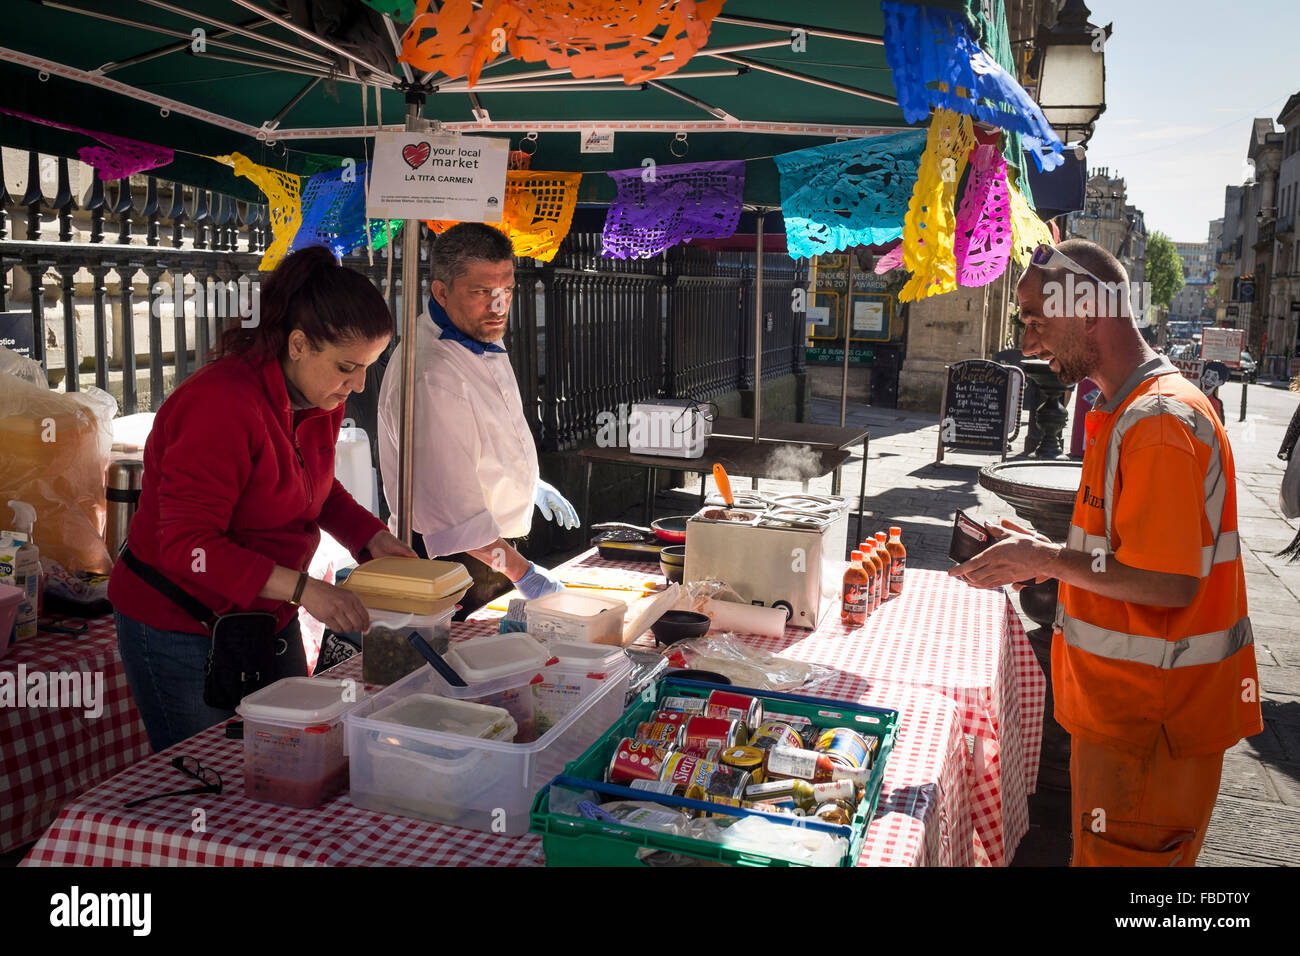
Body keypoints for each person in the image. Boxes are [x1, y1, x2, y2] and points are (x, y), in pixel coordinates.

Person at [950, 238, 1262, 867]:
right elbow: (1127, 558)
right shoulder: (1130, 411)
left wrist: (1046, 562)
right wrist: (1044, 549)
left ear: (1089, 307)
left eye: (1037, 318)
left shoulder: (1157, 422)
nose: (1029, 342)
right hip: (1136, 720)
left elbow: (1169, 583)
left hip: (1153, 727)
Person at [107, 246, 416, 752]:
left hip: (265, 611)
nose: (357, 385)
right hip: (181, 621)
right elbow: (187, 546)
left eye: (368, 367)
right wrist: (304, 590)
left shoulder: (318, 397)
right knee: (214, 777)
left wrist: (372, 536)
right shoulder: (222, 405)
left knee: (293, 754)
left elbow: (309, 489)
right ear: (298, 344)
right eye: (347, 366)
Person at [377, 222, 577, 617]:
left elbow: (484, 433)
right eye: (482, 293)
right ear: (440, 292)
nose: (499, 306)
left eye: (507, 290)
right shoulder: (432, 376)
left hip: (491, 549)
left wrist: (523, 479)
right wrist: (524, 574)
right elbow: (457, 520)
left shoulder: (478, 331)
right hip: (455, 561)